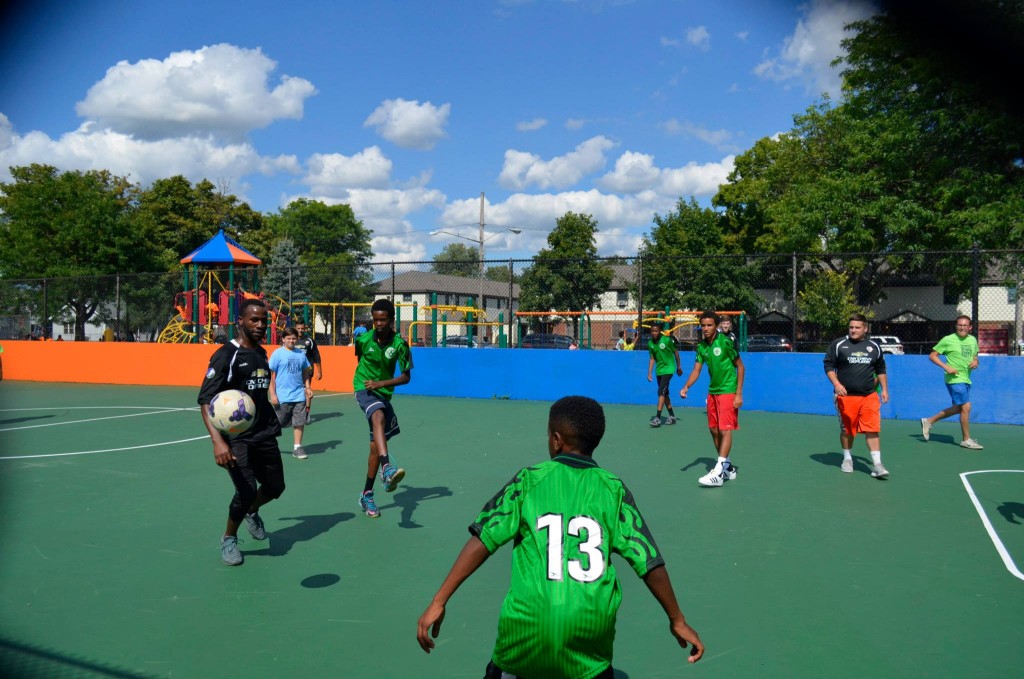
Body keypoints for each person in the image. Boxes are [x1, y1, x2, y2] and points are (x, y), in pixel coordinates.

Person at [416, 396, 704, 678]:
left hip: (527, 633)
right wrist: (676, 618)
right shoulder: (613, 490)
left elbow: (482, 540)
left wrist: (439, 600)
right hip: (589, 634)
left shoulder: (529, 480)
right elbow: (649, 561)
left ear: (556, 440)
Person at [197, 298, 285, 566]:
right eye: (254, 320)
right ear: (241, 322)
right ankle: (229, 538)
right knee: (246, 490)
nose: (260, 325)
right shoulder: (226, 355)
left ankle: (251, 511)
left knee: (275, 487)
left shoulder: (261, 352)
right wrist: (217, 442)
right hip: (236, 438)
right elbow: (205, 400)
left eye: (264, 321)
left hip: (265, 432)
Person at [353, 298, 413, 518]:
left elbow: (406, 377)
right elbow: (360, 361)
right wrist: (371, 384)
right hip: (364, 388)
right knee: (377, 415)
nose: (378, 324)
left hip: (383, 391)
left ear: (391, 320)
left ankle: (367, 494)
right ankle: (387, 468)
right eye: (375, 319)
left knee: (374, 449)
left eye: (383, 320)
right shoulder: (363, 339)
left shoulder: (400, 345)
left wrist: (382, 384)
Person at [679, 310, 745, 487]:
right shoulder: (701, 347)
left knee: (725, 430)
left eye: (709, 325)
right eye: (703, 325)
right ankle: (728, 467)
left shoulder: (725, 342)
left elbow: (740, 367)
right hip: (713, 392)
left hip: (728, 390)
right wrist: (686, 386)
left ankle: (718, 472)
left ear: (716, 326)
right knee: (714, 430)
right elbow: (696, 370)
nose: (706, 328)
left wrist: (738, 393)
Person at [824, 314, 890, 479]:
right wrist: (837, 385)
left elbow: (881, 369)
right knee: (848, 430)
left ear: (865, 329)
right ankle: (847, 459)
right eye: (851, 327)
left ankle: (877, 465)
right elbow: (828, 366)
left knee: (872, 429)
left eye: (857, 327)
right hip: (846, 397)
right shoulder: (839, 344)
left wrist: (884, 390)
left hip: (869, 395)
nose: (853, 330)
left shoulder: (874, 346)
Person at [921, 315, 983, 449]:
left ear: (970, 327)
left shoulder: (972, 340)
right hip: (954, 379)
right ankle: (966, 439)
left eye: (965, 325)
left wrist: (976, 361)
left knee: (957, 408)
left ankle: (929, 421)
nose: (962, 327)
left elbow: (975, 355)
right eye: (960, 325)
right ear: (956, 326)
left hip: (966, 378)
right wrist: (946, 367)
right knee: (966, 407)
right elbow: (932, 356)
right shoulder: (948, 340)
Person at [269, 327, 313, 460]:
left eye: (294, 338)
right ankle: (267, 445)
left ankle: (297, 447)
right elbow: (271, 376)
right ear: (283, 339)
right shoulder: (277, 354)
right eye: (288, 338)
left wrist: (308, 387)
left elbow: (305, 371)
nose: (291, 341)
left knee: (299, 421)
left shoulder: (301, 353)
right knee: (278, 422)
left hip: (299, 394)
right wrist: (273, 394)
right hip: (282, 396)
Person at [646, 321, 682, 427]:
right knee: (665, 394)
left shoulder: (667, 340)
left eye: (656, 331)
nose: (654, 333)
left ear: (660, 331)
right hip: (659, 371)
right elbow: (652, 358)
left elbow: (676, 353)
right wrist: (649, 372)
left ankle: (657, 418)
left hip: (669, 369)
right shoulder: (650, 344)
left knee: (661, 391)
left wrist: (679, 367)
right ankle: (672, 416)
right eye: (652, 331)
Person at [294, 320, 322, 424]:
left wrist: (319, 371)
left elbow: (317, 357)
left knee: (307, 390)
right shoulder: (291, 339)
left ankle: (306, 413)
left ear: (305, 329)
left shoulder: (310, 341)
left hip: (307, 370)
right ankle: (293, 413)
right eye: (298, 328)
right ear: (295, 328)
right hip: (293, 370)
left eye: (302, 329)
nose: (300, 331)